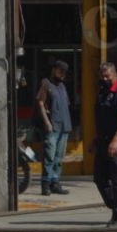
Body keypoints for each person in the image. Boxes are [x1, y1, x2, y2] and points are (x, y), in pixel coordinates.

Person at [93, 62, 117, 228]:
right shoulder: (102, 93)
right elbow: (102, 118)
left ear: (115, 75)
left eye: (107, 76)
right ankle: (114, 206)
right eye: (102, 76)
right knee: (99, 178)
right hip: (102, 141)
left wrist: (115, 140)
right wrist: (95, 139)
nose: (104, 79)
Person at [36, 60, 72, 196]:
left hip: (64, 126)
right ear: (54, 70)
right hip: (52, 126)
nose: (62, 75)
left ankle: (55, 182)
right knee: (49, 156)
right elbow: (40, 103)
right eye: (60, 71)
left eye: (64, 73)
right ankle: (45, 184)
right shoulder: (46, 83)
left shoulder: (62, 86)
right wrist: (46, 122)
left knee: (59, 157)